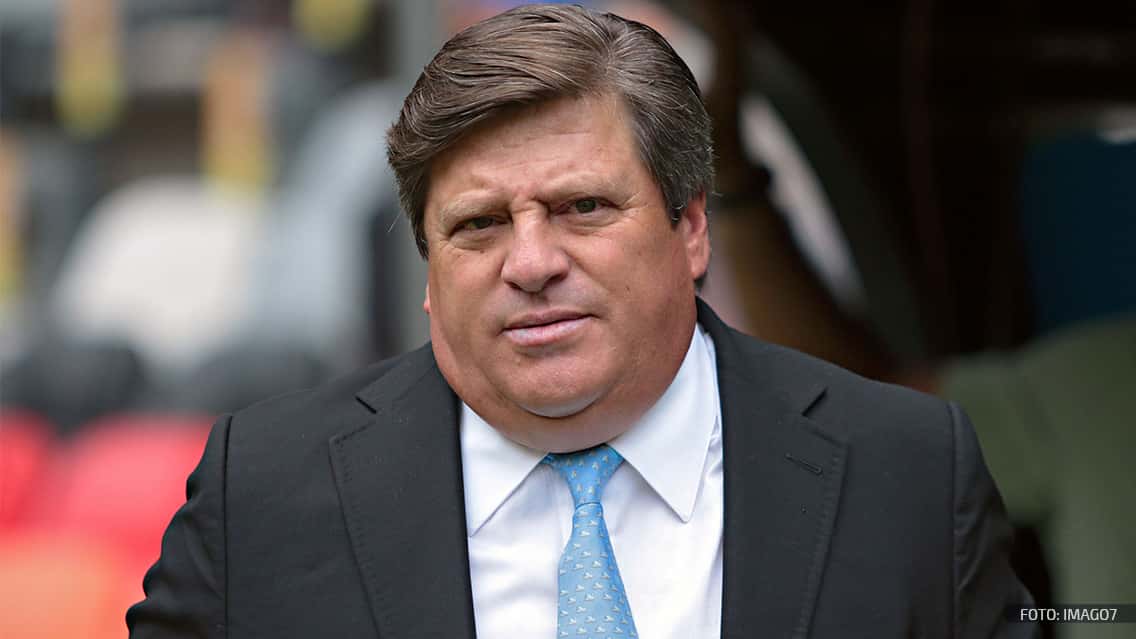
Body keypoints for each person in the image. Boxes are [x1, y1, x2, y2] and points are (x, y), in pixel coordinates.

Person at [127, 5, 1037, 638]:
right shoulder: (267, 491)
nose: (531, 262)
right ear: (428, 269)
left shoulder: (903, 472)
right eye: (479, 225)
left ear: (691, 228)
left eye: (583, 208)